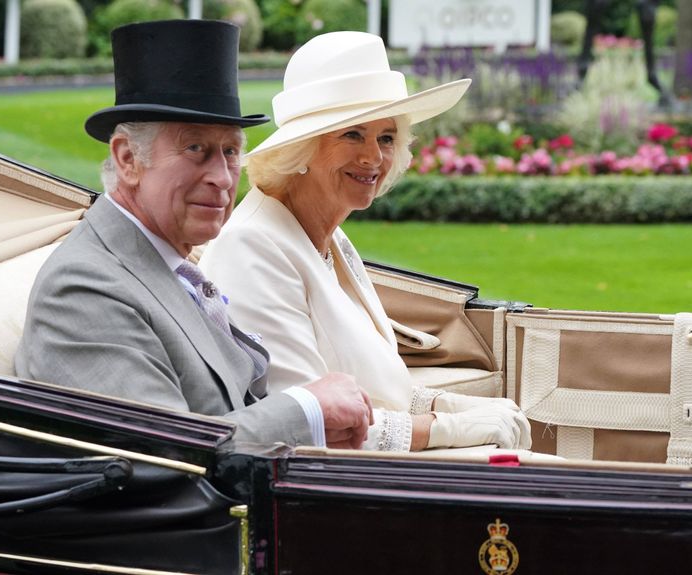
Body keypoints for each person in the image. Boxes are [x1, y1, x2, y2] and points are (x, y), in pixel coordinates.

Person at [15, 20, 372, 449]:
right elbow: (167, 454)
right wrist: (307, 408)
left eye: (231, 151)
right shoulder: (84, 288)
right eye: (195, 149)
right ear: (128, 159)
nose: (222, 178)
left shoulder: (169, 263)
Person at [199, 31, 532, 452]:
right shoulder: (251, 248)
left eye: (386, 137)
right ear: (302, 149)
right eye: (352, 135)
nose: (373, 157)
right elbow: (313, 428)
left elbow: (376, 387)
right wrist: (451, 427)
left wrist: (454, 405)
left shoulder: (331, 237)